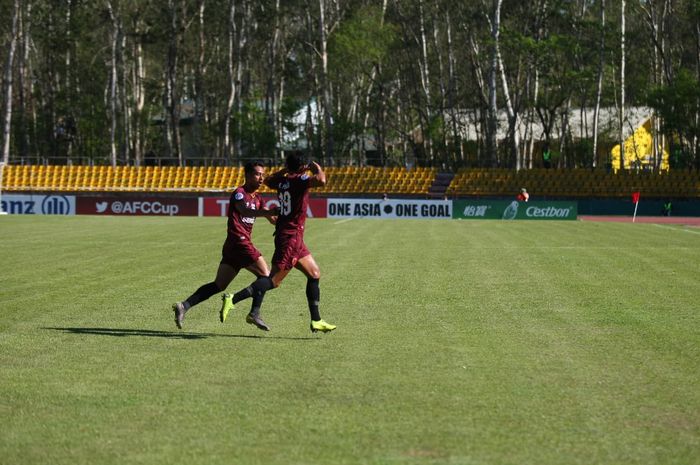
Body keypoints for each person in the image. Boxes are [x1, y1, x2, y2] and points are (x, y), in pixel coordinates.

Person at [220, 154, 336, 333]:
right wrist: (315, 167)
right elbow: (321, 180)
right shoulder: (300, 180)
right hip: (291, 238)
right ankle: (233, 299)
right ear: (302, 167)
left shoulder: (282, 182)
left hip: (291, 236)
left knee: (314, 273)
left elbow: (268, 179)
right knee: (273, 281)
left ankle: (316, 320)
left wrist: (287, 170)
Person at [172, 161, 278, 330]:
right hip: (239, 242)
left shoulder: (258, 198)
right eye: (258, 174)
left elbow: (273, 219)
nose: (261, 178)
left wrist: (283, 218)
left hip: (232, 247)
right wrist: (269, 211)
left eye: (263, 175)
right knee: (266, 276)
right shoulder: (239, 193)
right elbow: (245, 211)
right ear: (249, 175)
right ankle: (253, 313)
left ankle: (184, 306)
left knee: (219, 285)